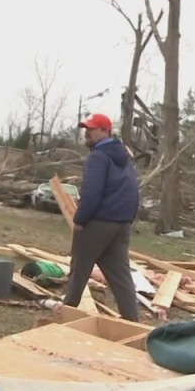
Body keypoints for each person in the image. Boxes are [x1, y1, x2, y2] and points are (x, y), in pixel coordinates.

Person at [63, 113, 140, 321]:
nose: (86, 132)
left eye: (92, 129)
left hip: (97, 223)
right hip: (121, 224)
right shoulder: (124, 157)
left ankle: (65, 315)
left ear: (105, 131)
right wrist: (128, 219)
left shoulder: (98, 156)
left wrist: (80, 219)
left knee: (78, 271)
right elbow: (133, 190)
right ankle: (133, 323)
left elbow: (92, 192)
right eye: (86, 128)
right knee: (121, 278)